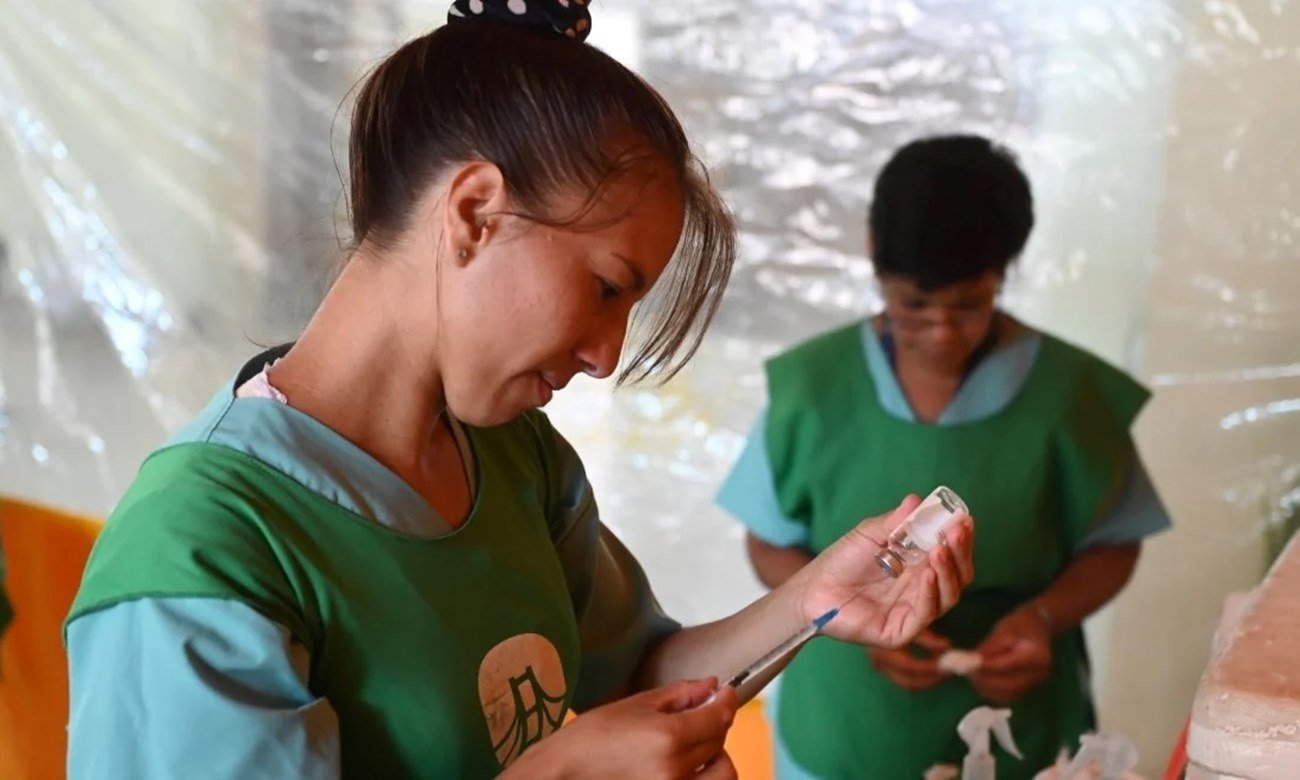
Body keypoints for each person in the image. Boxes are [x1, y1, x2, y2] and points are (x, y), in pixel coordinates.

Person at [64, 5, 975, 779]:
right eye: (607, 286)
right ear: (474, 213)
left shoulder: (512, 457)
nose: (607, 355)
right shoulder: (203, 548)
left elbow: (635, 675)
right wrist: (561, 768)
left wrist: (814, 600)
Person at [717, 134, 1172, 779]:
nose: (940, 332)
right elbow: (768, 543)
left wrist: (1043, 617)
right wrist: (852, 615)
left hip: (1021, 726)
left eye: (969, 305)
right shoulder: (814, 390)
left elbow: (1115, 544)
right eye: (913, 306)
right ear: (875, 258)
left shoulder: (1071, 397)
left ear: (1003, 273)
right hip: (848, 723)